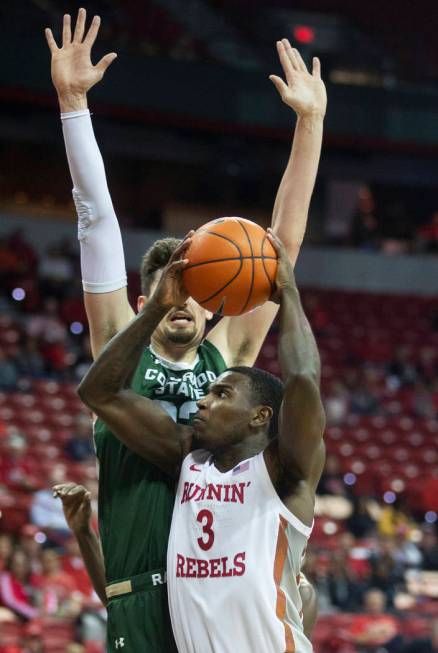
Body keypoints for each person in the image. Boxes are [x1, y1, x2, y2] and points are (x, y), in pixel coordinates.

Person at [46, 8, 326, 652]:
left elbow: (281, 248)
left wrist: (309, 123)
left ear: (217, 304)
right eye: (174, 289)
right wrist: (72, 105)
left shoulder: (229, 356)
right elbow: (97, 223)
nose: (186, 304)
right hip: (144, 587)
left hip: (215, 588)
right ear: (151, 296)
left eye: (201, 293)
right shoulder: (123, 341)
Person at [65, 230, 326, 652]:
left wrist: (290, 296)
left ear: (260, 416)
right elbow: (99, 393)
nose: (201, 400)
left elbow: (301, 381)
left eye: (221, 394)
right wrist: (156, 309)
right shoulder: (187, 461)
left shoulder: (285, 475)